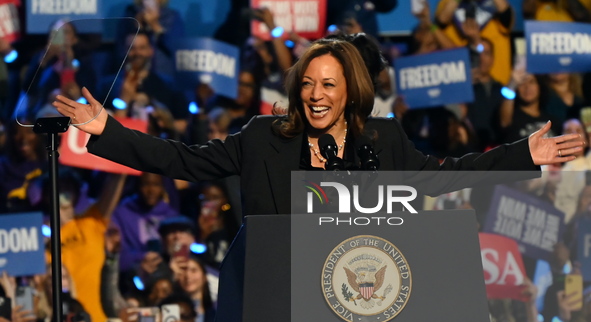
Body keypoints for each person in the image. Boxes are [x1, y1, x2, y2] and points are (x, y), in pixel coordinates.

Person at [54, 40, 584, 218]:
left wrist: (523, 154)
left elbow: (447, 174)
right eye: (308, 84)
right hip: (279, 309)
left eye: (328, 85)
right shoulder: (263, 137)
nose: (315, 95)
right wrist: (107, 130)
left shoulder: (383, 140)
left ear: (350, 91)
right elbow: (182, 160)